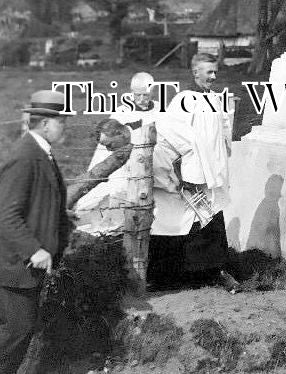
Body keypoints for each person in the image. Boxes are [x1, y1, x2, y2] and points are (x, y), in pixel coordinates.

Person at [148, 53, 239, 292]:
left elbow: (221, 133)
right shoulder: (183, 100)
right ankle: (169, 276)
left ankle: (213, 271)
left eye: (215, 71)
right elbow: (169, 132)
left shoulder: (215, 99)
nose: (213, 76)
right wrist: (185, 169)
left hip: (212, 172)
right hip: (190, 172)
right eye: (208, 72)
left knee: (210, 217)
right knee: (179, 221)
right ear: (195, 72)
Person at [0, 90, 72, 373]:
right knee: (18, 330)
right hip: (14, 266)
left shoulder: (42, 153)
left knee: (17, 328)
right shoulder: (25, 156)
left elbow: (38, 201)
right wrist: (36, 249)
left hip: (27, 268)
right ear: (45, 123)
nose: (64, 126)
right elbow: (5, 214)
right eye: (61, 121)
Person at [75, 72, 159, 234]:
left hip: (153, 163)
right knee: (119, 198)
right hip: (125, 165)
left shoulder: (160, 110)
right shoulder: (121, 113)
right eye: (137, 95)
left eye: (146, 94)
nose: (142, 99)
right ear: (131, 92)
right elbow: (108, 147)